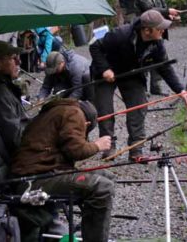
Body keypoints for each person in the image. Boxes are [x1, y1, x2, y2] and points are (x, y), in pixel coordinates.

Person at [90, 10, 187, 160]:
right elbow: (94, 47)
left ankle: (136, 149)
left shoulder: (157, 43)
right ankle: (108, 146)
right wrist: (105, 69)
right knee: (105, 110)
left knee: (139, 107)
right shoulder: (120, 34)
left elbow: (165, 67)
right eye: (160, 28)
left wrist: (181, 90)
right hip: (106, 73)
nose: (163, 31)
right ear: (147, 30)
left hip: (131, 73)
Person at [11, 99, 114, 242]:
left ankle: (89, 229)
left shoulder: (62, 110)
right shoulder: (74, 114)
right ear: (87, 124)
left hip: (40, 172)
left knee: (106, 176)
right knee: (103, 187)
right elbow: (76, 150)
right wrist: (97, 145)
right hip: (34, 180)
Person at [134, 0, 180, 95]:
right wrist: (167, 12)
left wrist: (169, 16)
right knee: (144, 59)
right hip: (146, 31)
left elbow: (162, 6)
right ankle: (143, 89)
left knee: (159, 57)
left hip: (157, 28)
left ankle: (156, 87)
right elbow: (150, 9)